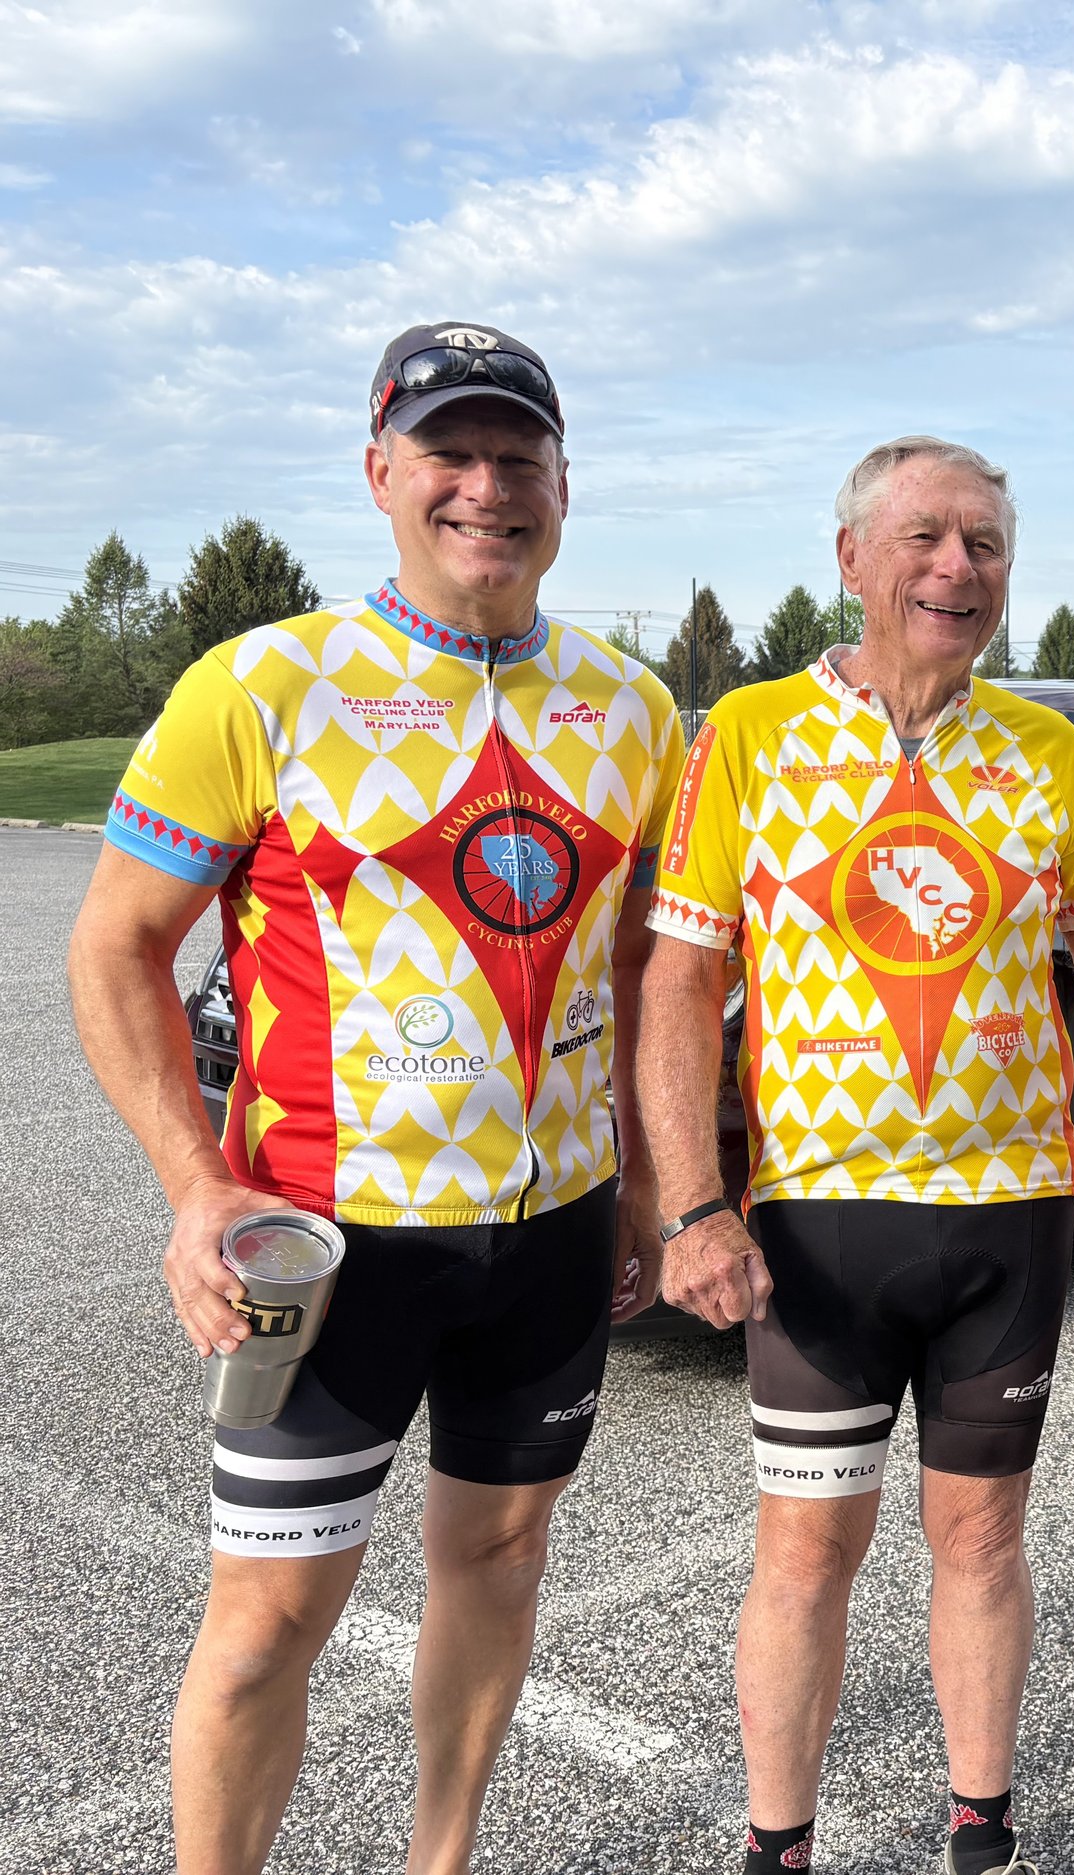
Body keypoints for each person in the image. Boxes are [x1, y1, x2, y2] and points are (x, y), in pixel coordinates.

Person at [67, 322, 684, 1875]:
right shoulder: (266, 682)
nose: (487, 486)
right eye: (450, 455)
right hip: (326, 1243)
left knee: (499, 1552)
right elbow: (117, 948)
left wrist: (645, 1185)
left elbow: (628, 973)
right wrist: (196, 1185)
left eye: (518, 457)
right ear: (382, 475)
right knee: (270, 1615)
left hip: (545, 1240)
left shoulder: (636, 711)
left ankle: (441, 1862)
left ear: (563, 484)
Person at [638, 435, 1074, 1875]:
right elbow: (680, 983)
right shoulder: (748, 733)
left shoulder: (1045, 754)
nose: (956, 568)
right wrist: (688, 1205)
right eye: (923, 537)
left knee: (981, 1544)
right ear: (849, 558)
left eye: (984, 544)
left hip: (1009, 1217)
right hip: (820, 1221)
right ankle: (776, 1844)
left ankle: (981, 1831)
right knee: (807, 1554)